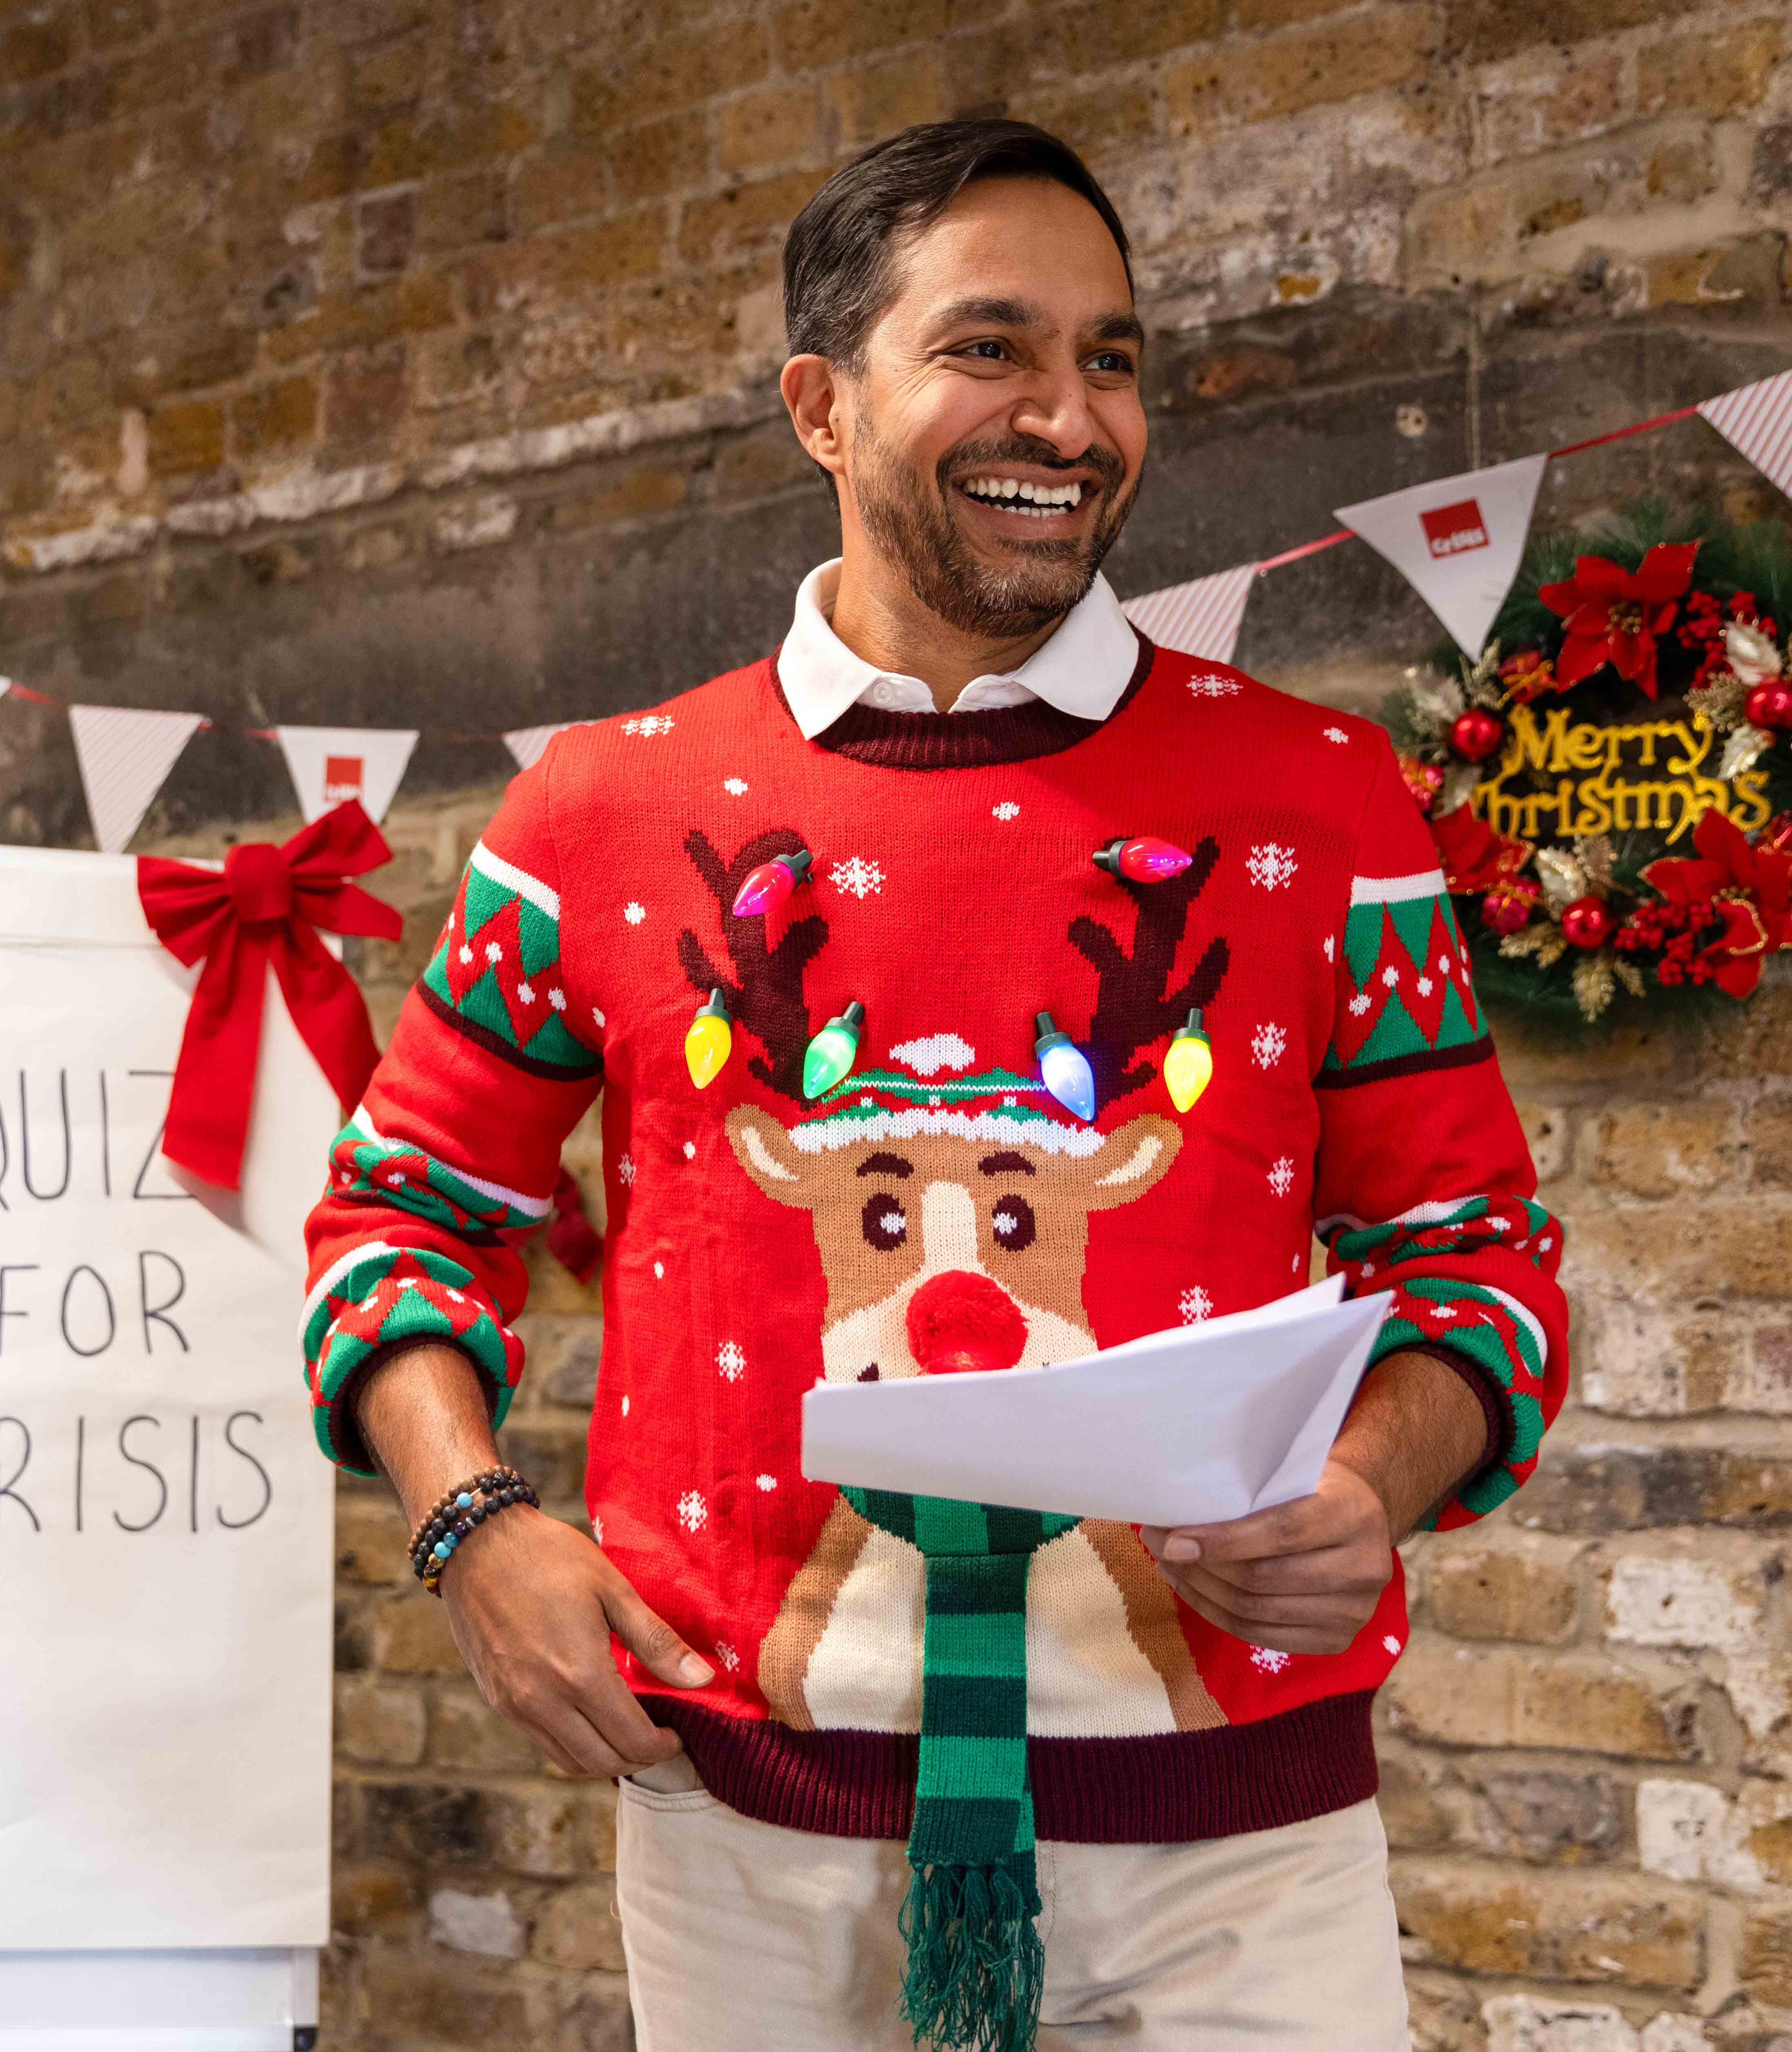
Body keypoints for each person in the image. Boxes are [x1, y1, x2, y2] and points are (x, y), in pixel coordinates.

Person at [302, 118, 1568, 2052]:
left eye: (1109, 358)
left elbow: (1477, 1256)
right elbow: (397, 1210)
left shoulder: (1319, 799)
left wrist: (1375, 1479)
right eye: (990, 348)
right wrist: (470, 1520)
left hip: (1234, 1843)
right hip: (743, 1842)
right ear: (821, 405)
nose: (1068, 416)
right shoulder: (596, 811)